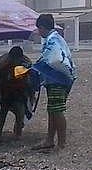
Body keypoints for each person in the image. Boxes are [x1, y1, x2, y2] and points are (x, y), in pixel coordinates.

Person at [31, 13, 77, 151]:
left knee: (57, 110)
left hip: (58, 79)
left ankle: (61, 143)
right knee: (52, 109)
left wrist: (37, 67)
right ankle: (49, 140)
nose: (38, 32)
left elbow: (53, 60)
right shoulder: (56, 38)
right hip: (58, 79)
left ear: (43, 27)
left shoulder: (53, 40)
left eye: (39, 29)